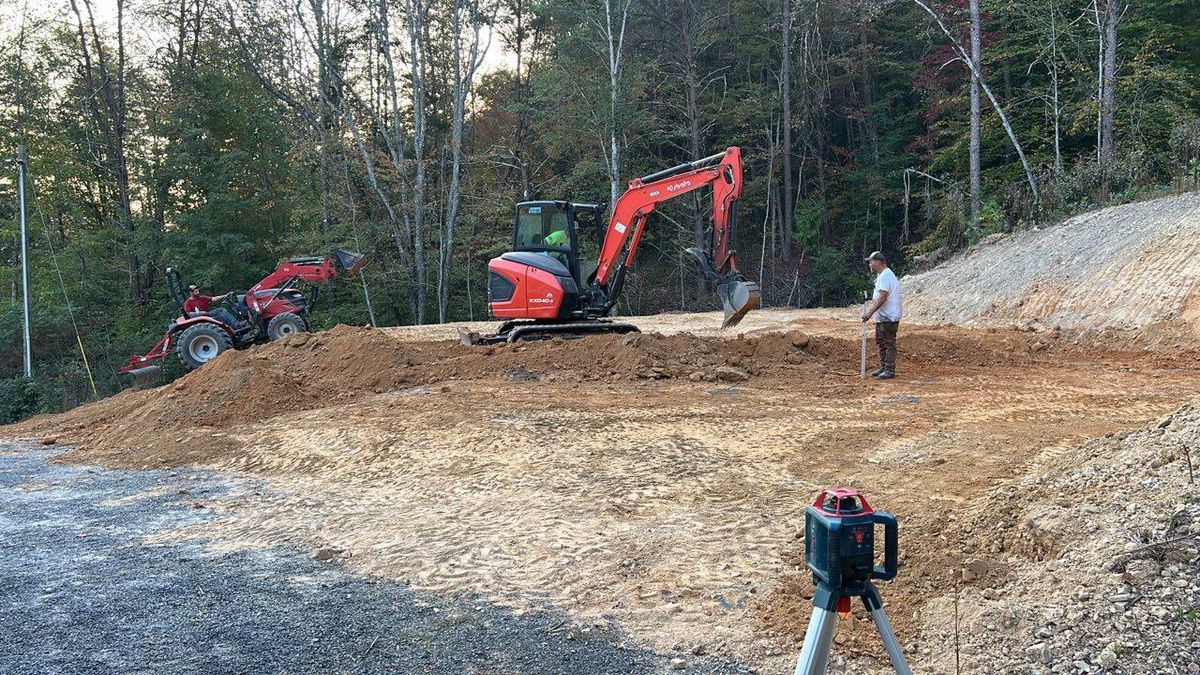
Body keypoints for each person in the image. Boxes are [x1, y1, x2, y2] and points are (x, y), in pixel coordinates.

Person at [862, 250, 901, 380]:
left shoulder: (886, 275)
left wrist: (870, 313)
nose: (870, 265)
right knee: (881, 342)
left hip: (888, 316)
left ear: (878, 262)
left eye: (871, 262)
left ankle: (889, 369)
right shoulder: (882, 275)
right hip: (883, 316)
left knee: (889, 343)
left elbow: (883, 297)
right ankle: (884, 367)